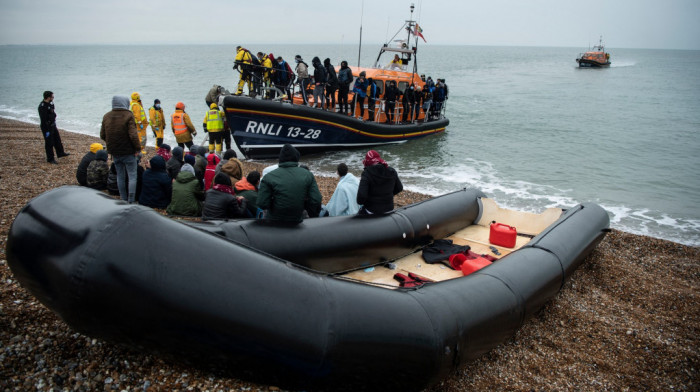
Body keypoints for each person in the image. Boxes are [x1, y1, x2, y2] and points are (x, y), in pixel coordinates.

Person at [257, 144, 321, 224]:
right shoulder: (308, 174)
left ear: (280, 159)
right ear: (296, 158)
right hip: (298, 218)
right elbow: (316, 200)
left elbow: (262, 203)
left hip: (274, 220)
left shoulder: (268, 176)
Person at [100, 95, 141, 203]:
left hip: (114, 151)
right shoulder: (128, 115)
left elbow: (102, 135)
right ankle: (131, 200)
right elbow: (133, 135)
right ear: (125, 103)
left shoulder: (106, 116)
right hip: (128, 151)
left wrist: (112, 143)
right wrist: (137, 148)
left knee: (120, 176)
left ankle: (123, 198)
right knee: (132, 176)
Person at [357, 150, 403, 215]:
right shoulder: (391, 171)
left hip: (372, 210)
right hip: (389, 208)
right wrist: (388, 195)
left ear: (367, 161)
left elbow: (361, 198)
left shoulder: (367, 173)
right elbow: (399, 188)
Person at [38, 91, 69, 164]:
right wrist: (47, 129)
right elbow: (44, 119)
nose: (53, 98)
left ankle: (60, 153)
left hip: (53, 125)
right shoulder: (42, 106)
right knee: (49, 142)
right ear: (48, 97)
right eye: (52, 97)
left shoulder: (50, 103)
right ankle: (50, 158)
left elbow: (52, 112)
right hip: (47, 127)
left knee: (57, 139)